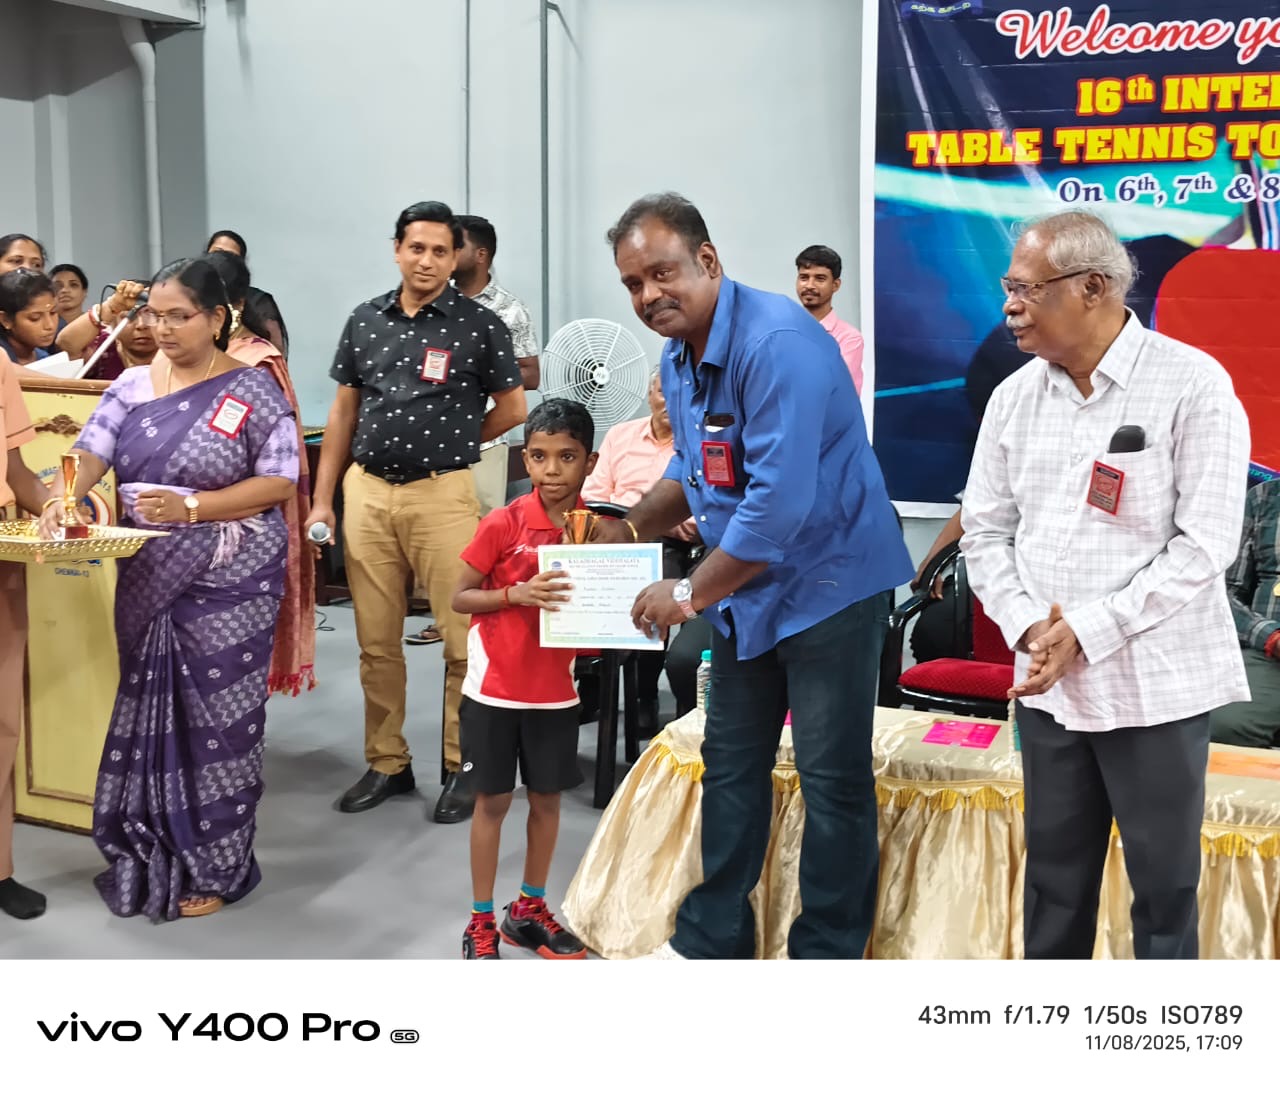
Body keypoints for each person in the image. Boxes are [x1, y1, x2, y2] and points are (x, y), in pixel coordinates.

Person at [599, 193, 912, 959]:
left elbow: (776, 508)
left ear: (708, 261)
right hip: (748, 592)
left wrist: (685, 593)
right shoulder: (679, 354)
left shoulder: (778, 343)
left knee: (830, 775)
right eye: (633, 284)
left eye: (662, 272)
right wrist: (628, 525)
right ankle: (714, 935)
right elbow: (691, 468)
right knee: (731, 761)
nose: (648, 296)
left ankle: (828, 950)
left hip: (830, 586)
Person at [961, 210, 1250, 960]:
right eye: (1007, 286)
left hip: (1154, 686)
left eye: (1026, 289)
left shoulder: (1193, 386)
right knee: (1053, 884)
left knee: (1162, 893)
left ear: (1093, 288)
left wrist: (1085, 630)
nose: (1010, 306)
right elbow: (986, 532)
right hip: (1050, 687)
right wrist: (1030, 627)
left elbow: (1205, 545)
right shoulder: (1013, 398)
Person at [39, 256, 300, 921]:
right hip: (149, 574)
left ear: (218, 318)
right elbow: (90, 452)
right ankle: (152, 840)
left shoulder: (255, 388)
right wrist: (63, 495)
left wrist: (191, 510)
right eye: (153, 313)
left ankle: (218, 860)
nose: (161, 326)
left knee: (220, 724)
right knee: (153, 713)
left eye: (177, 315)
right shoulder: (128, 386)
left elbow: (279, 482)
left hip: (230, 582)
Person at [306, 201, 526, 824]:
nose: (427, 260)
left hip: (442, 496)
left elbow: (513, 408)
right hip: (369, 493)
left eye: (440, 250)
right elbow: (343, 413)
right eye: (416, 248)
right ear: (397, 250)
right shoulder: (364, 320)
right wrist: (324, 498)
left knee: (461, 640)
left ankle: (462, 765)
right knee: (376, 642)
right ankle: (386, 762)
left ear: (456, 256)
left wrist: (459, 441)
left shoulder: (479, 326)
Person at [453, 398, 594, 960]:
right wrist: (516, 593)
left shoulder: (600, 533)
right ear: (525, 461)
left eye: (567, 457)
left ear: (590, 460)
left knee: (547, 801)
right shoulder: (503, 523)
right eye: (538, 457)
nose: (552, 471)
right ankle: (481, 917)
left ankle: (528, 909)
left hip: (556, 693)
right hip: (494, 690)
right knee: (491, 802)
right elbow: (459, 595)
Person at [405, 213, 541, 646]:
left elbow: (531, 375)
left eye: (453, 247)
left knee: (477, 532)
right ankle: (443, 616)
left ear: (479, 255)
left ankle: (475, 618)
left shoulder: (507, 309)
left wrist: (475, 369)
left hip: (486, 435)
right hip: (430, 439)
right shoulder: (430, 303)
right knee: (436, 531)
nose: (441, 254)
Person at [203, 248, 316, 695]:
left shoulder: (257, 362)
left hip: (244, 514)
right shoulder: (203, 357)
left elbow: (271, 455)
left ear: (234, 307)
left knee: (235, 651)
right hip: (196, 515)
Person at [582, 366, 700, 734]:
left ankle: (643, 694)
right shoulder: (620, 435)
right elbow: (594, 495)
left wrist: (653, 520)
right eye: (662, 392)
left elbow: (699, 519)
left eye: (678, 392)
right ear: (650, 395)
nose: (668, 401)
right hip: (611, 534)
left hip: (666, 542)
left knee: (652, 587)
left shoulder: (694, 443)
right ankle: (589, 687)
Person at [0, 346, 54, 919]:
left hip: (2, 552)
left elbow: (15, 469)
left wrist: (53, 504)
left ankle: (0, 869)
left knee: (2, 719)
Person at [1210, 480, 1280, 749]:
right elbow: (1223, 593)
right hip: (1270, 652)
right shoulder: (1263, 498)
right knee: (1223, 727)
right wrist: (1269, 636)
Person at [206, 229, 290, 357]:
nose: (222, 260)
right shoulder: (191, 293)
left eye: (231, 256)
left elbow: (277, 352)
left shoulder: (258, 301)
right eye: (217, 253)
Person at [795, 244, 864, 395]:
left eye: (820, 279)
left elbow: (837, 389)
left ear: (835, 285)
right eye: (804, 278)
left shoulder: (849, 338)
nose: (809, 285)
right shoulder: (783, 330)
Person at [56, 279, 156, 381]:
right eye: (129, 316)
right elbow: (66, 344)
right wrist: (112, 305)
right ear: (113, 324)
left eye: (150, 316)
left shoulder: (171, 351)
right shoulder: (102, 348)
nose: (141, 325)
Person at [0, 270, 57, 368]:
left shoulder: (45, 359)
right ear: (6, 320)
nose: (50, 325)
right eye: (35, 318)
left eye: (53, 313)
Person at [49, 263, 89, 328]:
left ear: (84, 292)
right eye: (57, 286)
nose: (64, 290)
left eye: (73, 285)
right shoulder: (45, 328)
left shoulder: (98, 326)